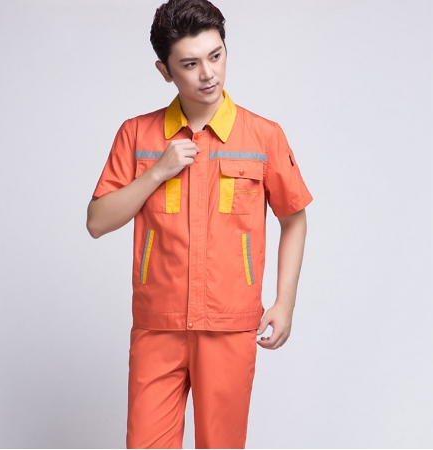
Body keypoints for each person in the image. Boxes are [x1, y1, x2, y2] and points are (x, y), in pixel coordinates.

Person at [86, 0, 313, 447]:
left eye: (216, 56)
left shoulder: (263, 136)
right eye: (190, 64)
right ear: (165, 71)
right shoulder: (137, 134)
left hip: (230, 324)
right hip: (158, 324)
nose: (208, 74)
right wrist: (157, 172)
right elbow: (97, 221)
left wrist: (284, 303)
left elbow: (294, 219)